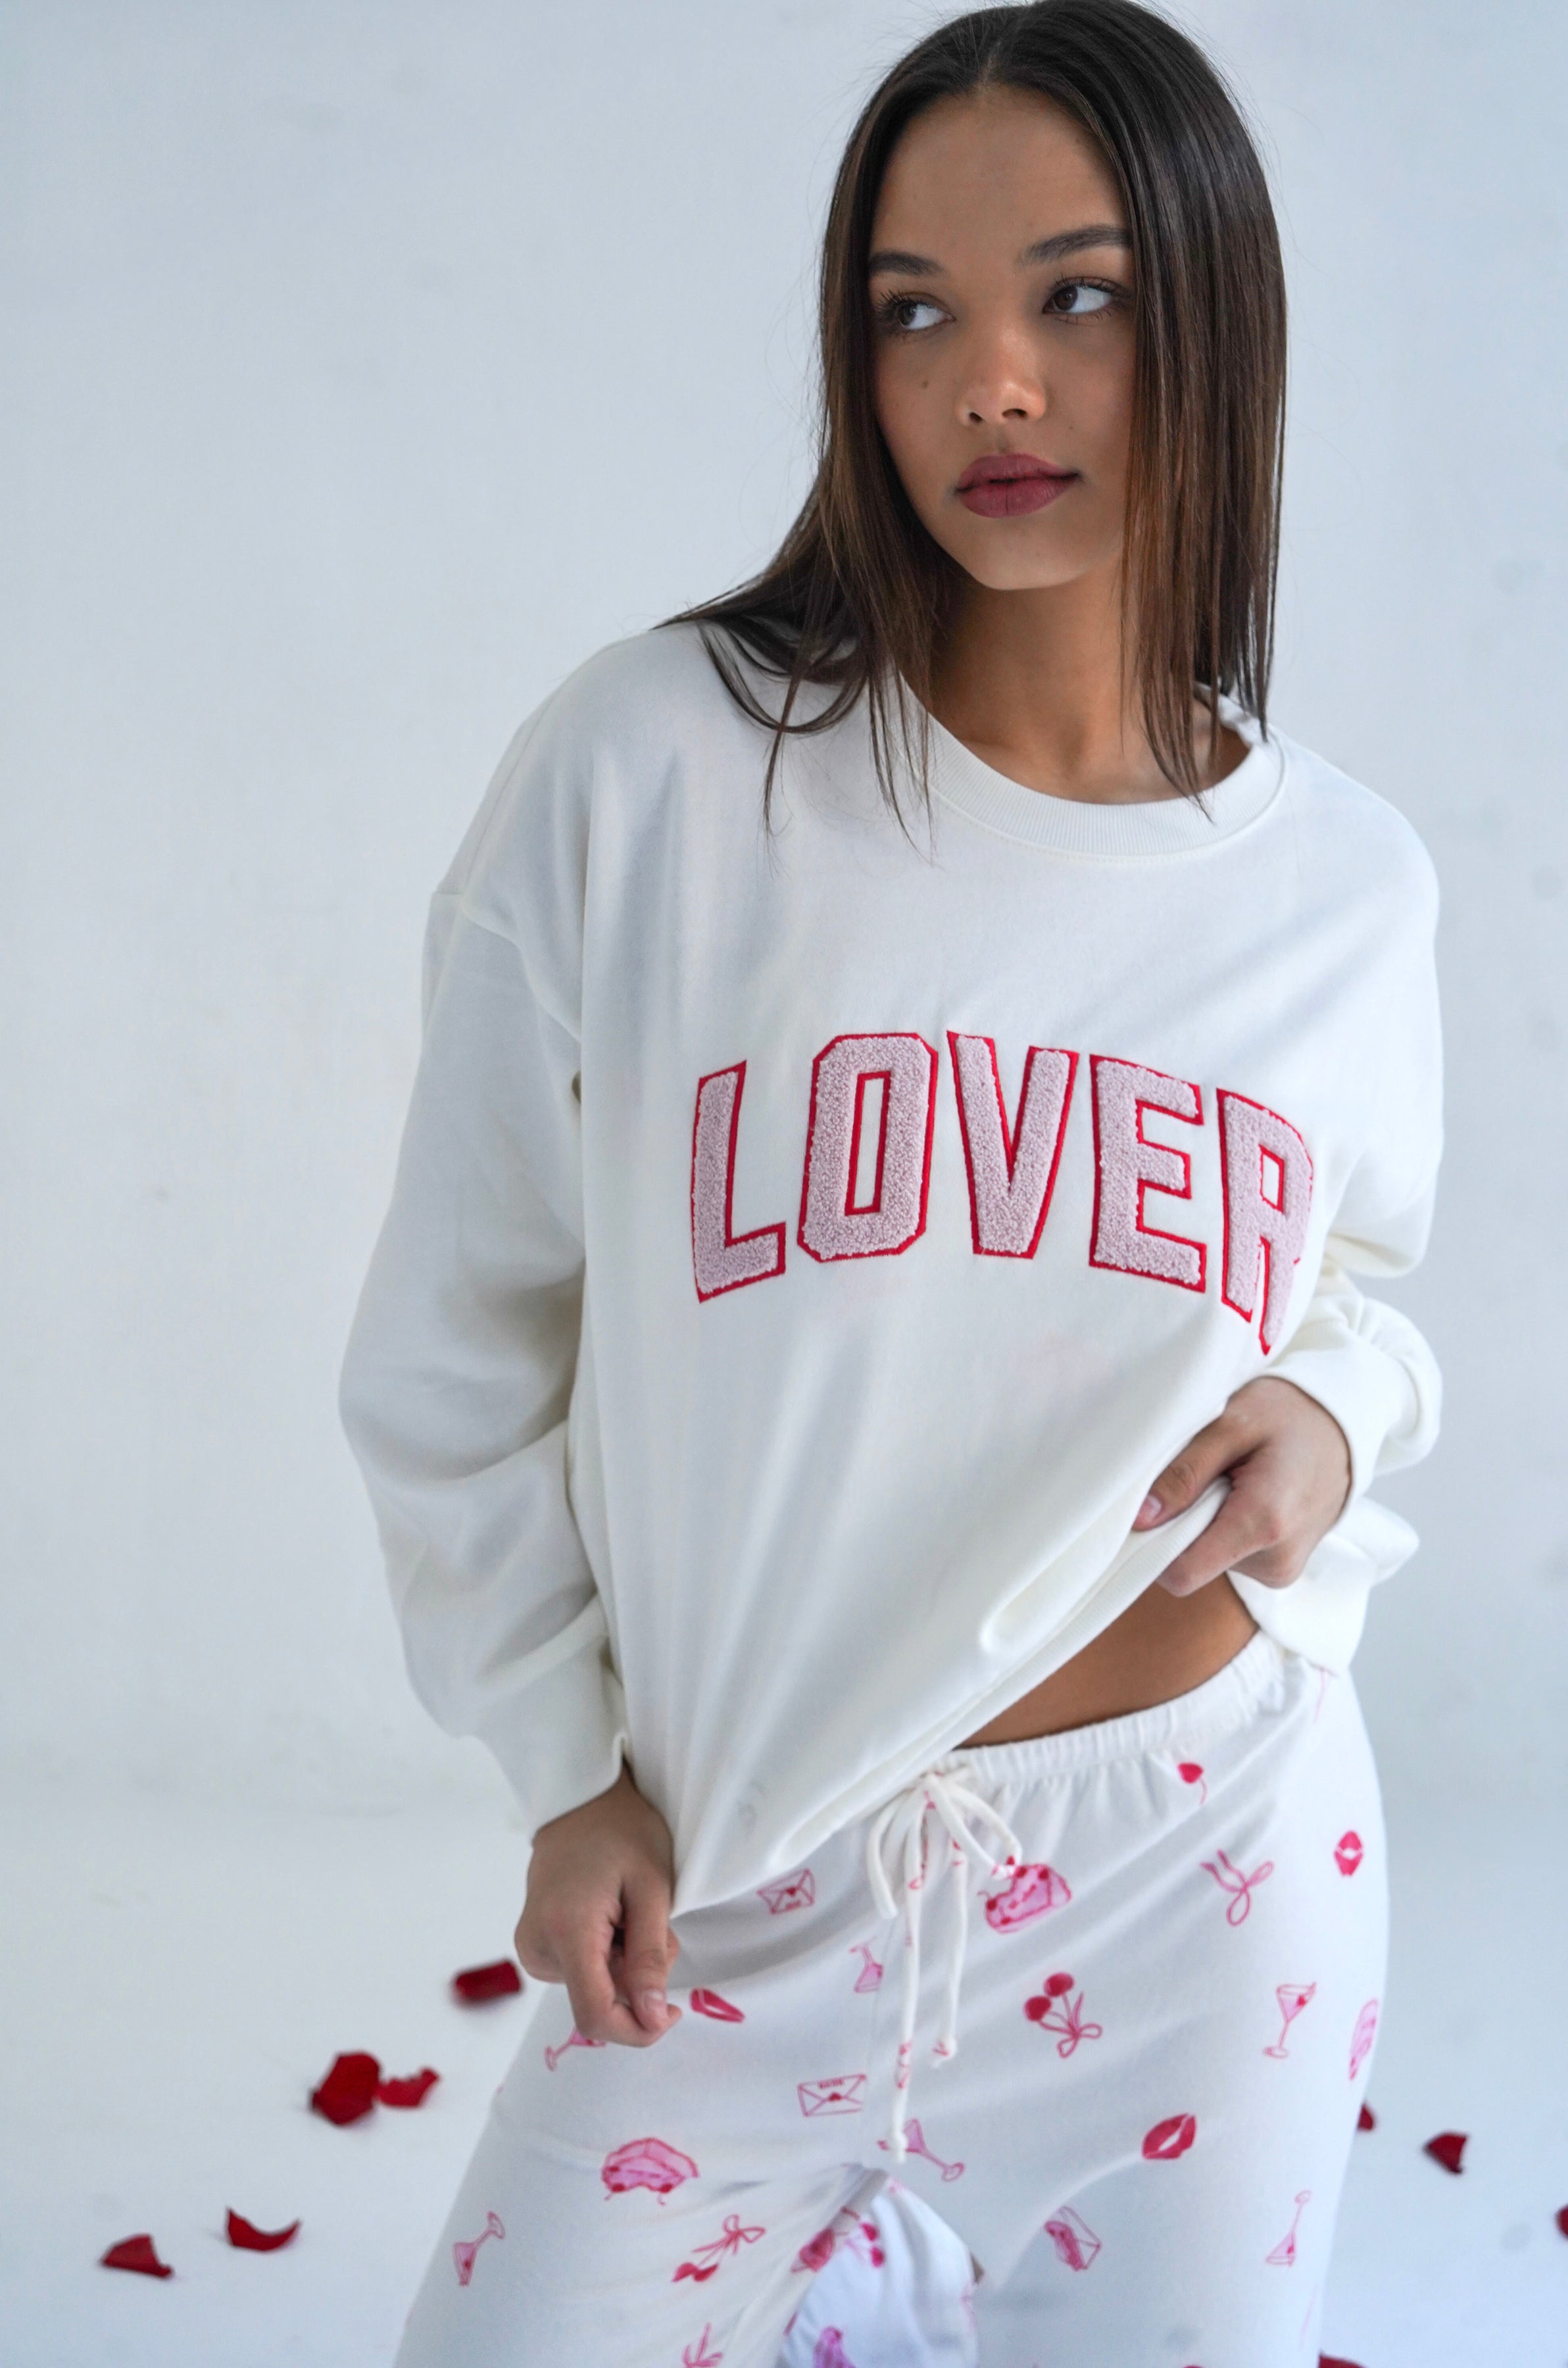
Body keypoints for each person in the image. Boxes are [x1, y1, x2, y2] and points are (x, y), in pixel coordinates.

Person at [338, 5, 1442, 2361]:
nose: (993, 384)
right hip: (735, 1883)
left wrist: (1342, 1414)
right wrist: (568, 1768)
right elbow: (456, 1343)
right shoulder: (657, 773)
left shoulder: (1344, 886)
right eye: (913, 312)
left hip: (1202, 1881)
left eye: (1082, 294)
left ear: (1221, 318)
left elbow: (1349, 1287)